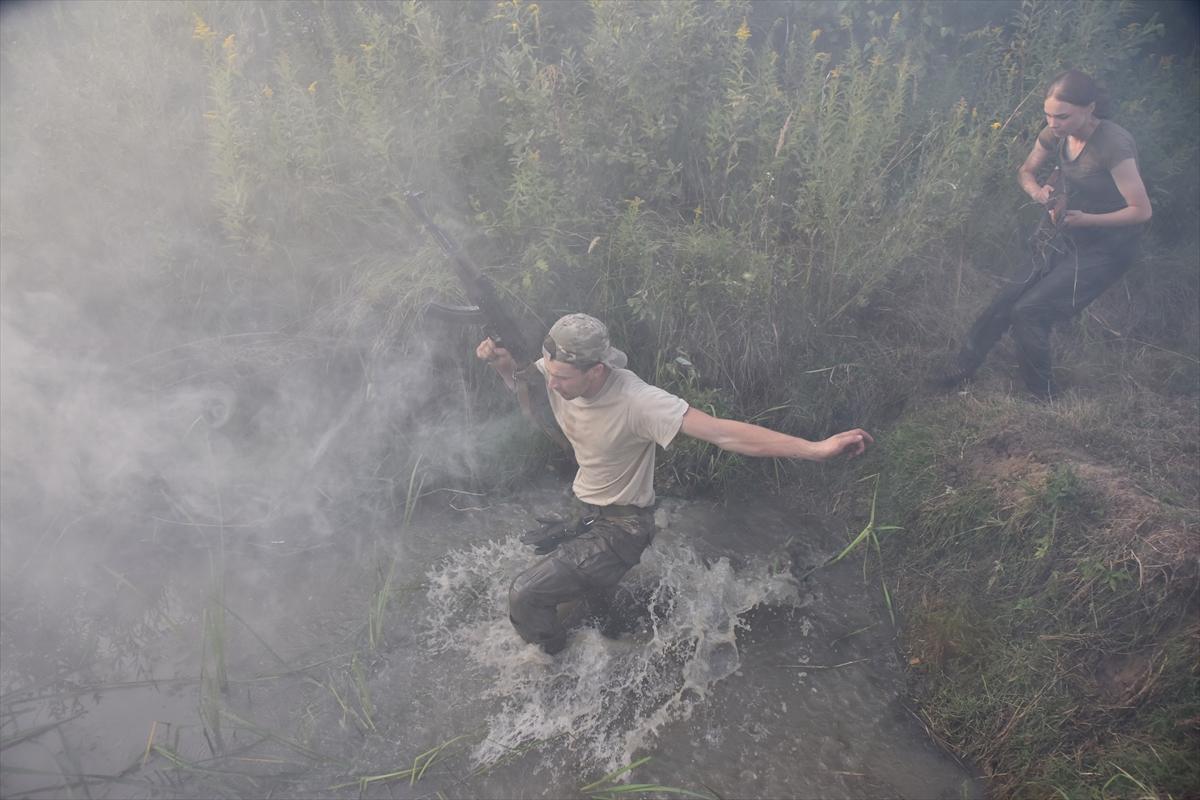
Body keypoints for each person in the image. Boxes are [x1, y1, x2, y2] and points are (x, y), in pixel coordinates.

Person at [477, 312, 873, 654]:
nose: (553, 384)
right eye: (550, 372)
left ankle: (552, 665)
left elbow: (723, 433)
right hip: (586, 510)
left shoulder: (639, 402)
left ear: (596, 370)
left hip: (621, 528)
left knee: (525, 594)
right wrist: (503, 366)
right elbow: (530, 390)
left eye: (562, 377)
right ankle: (607, 625)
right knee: (585, 605)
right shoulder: (555, 372)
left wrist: (816, 449)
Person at [939, 69, 1151, 399]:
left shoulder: (1113, 144)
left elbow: (1141, 210)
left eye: (1062, 116)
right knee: (1007, 298)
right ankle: (959, 370)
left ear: (1089, 108)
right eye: (1048, 115)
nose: (1053, 124)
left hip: (1109, 246)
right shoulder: (1056, 133)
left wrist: (1088, 220)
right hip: (1067, 229)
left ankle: (1043, 397)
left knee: (1030, 311)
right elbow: (1025, 171)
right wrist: (1039, 193)